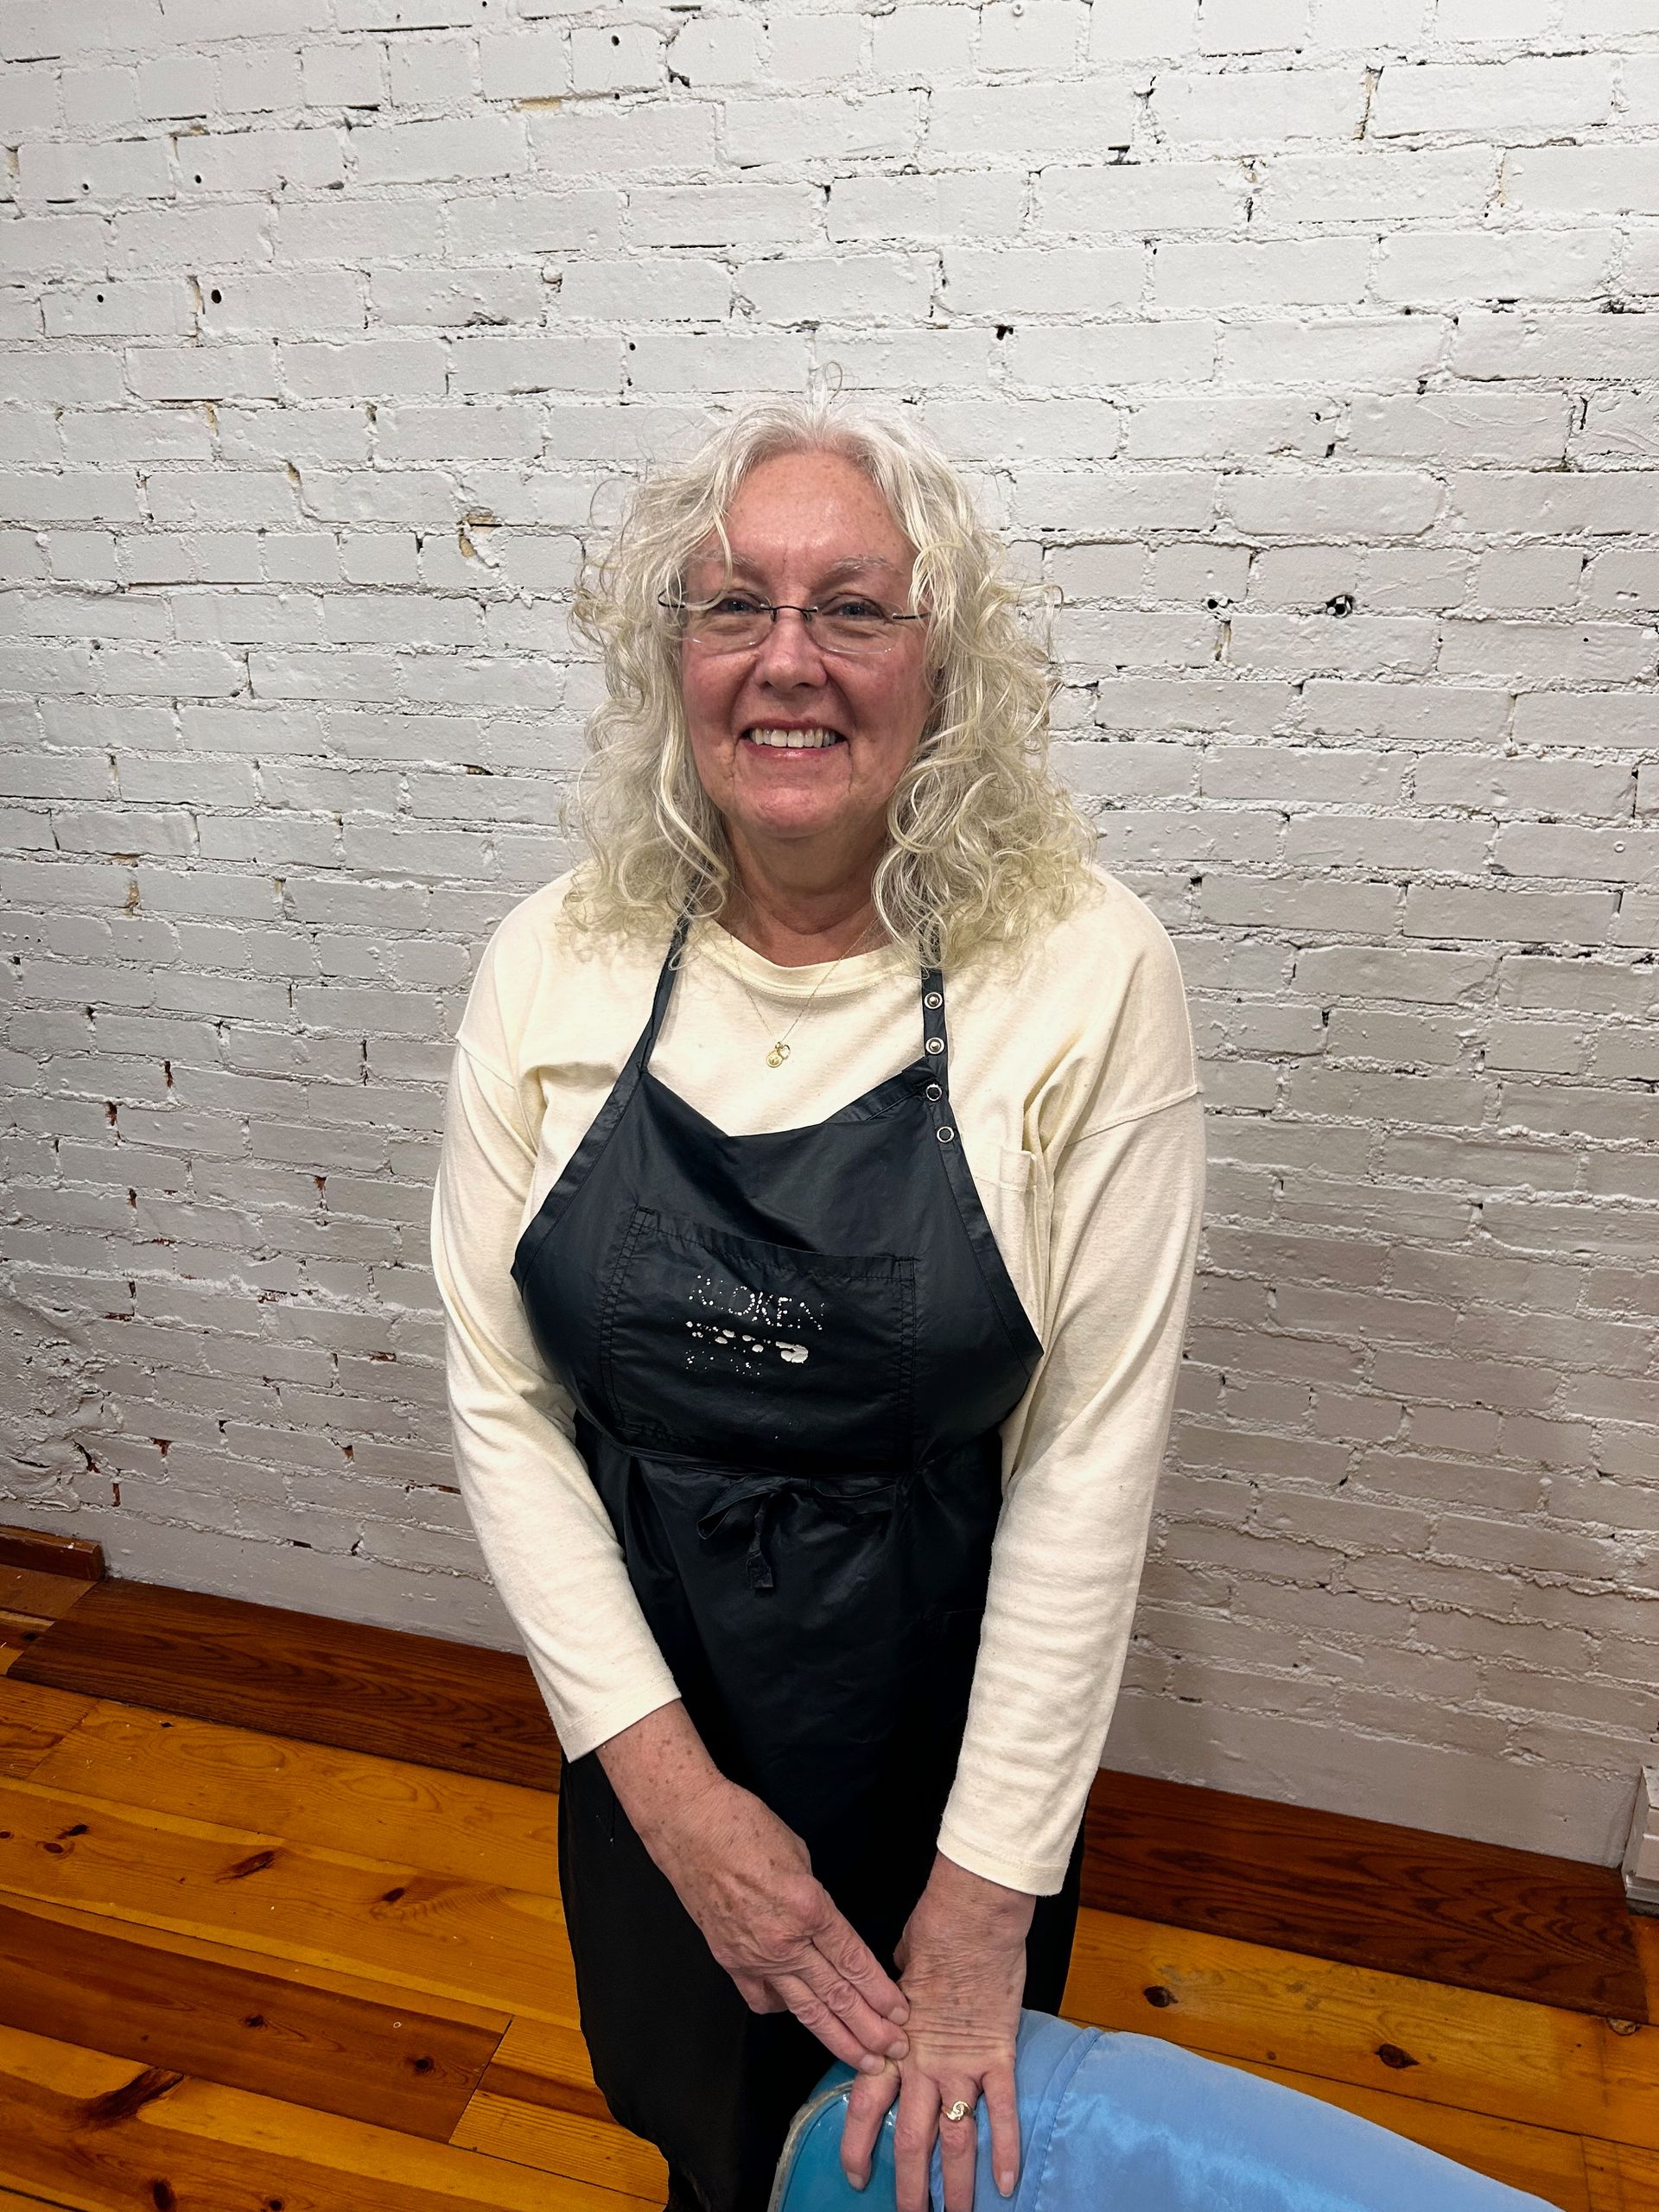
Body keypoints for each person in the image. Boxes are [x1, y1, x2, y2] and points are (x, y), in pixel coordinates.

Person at [430, 399, 1206, 2212]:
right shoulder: (553, 957)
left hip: (940, 1718)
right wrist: (679, 1807)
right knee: (707, 2128)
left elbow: (1094, 1460)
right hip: (648, 1699)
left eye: (853, 607)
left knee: (925, 2156)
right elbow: (498, 1399)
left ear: (945, 667)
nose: (789, 662)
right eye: (733, 608)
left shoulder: (1089, 973)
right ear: (673, 658)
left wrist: (981, 1898)